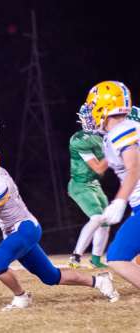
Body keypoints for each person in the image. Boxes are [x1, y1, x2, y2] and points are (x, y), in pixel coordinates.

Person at [0, 145, 119, 310]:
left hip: (24, 229)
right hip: (19, 230)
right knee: (51, 277)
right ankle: (100, 282)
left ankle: (21, 297)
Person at [81, 81, 140, 289]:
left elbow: (134, 168)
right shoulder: (124, 130)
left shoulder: (120, 131)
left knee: (118, 256)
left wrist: (119, 201)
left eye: (92, 106)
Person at [67, 105, 110, 269]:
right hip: (80, 185)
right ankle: (76, 256)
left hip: (94, 184)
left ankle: (96, 259)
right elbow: (99, 168)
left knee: (106, 221)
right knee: (97, 217)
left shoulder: (105, 135)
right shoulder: (80, 139)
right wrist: (114, 150)